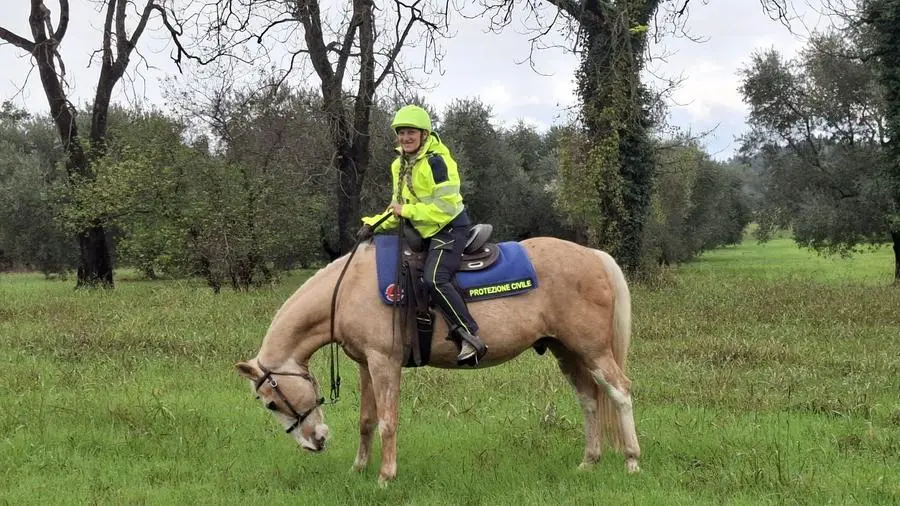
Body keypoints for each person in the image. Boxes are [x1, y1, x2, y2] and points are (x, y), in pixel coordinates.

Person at [358, 104, 487, 364]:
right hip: (422, 229)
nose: (405, 138)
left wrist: (407, 211)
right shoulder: (399, 165)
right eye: (401, 133)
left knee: (435, 278)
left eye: (411, 133)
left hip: (449, 227)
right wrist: (373, 224)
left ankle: (469, 336)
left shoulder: (438, 162)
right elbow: (397, 207)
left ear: (425, 135)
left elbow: (445, 207)